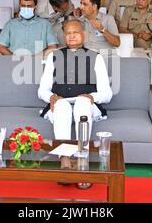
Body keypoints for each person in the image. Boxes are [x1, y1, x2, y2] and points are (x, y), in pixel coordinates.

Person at [38, 19, 113, 190]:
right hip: (61, 104)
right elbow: (42, 90)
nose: (71, 36)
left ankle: (81, 160)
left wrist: (92, 96)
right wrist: (52, 97)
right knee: (62, 105)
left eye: (75, 32)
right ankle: (65, 159)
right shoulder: (54, 56)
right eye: (68, 33)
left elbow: (107, 94)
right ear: (64, 36)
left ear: (84, 34)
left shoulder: (96, 57)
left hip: (86, 105)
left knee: (82, 102)